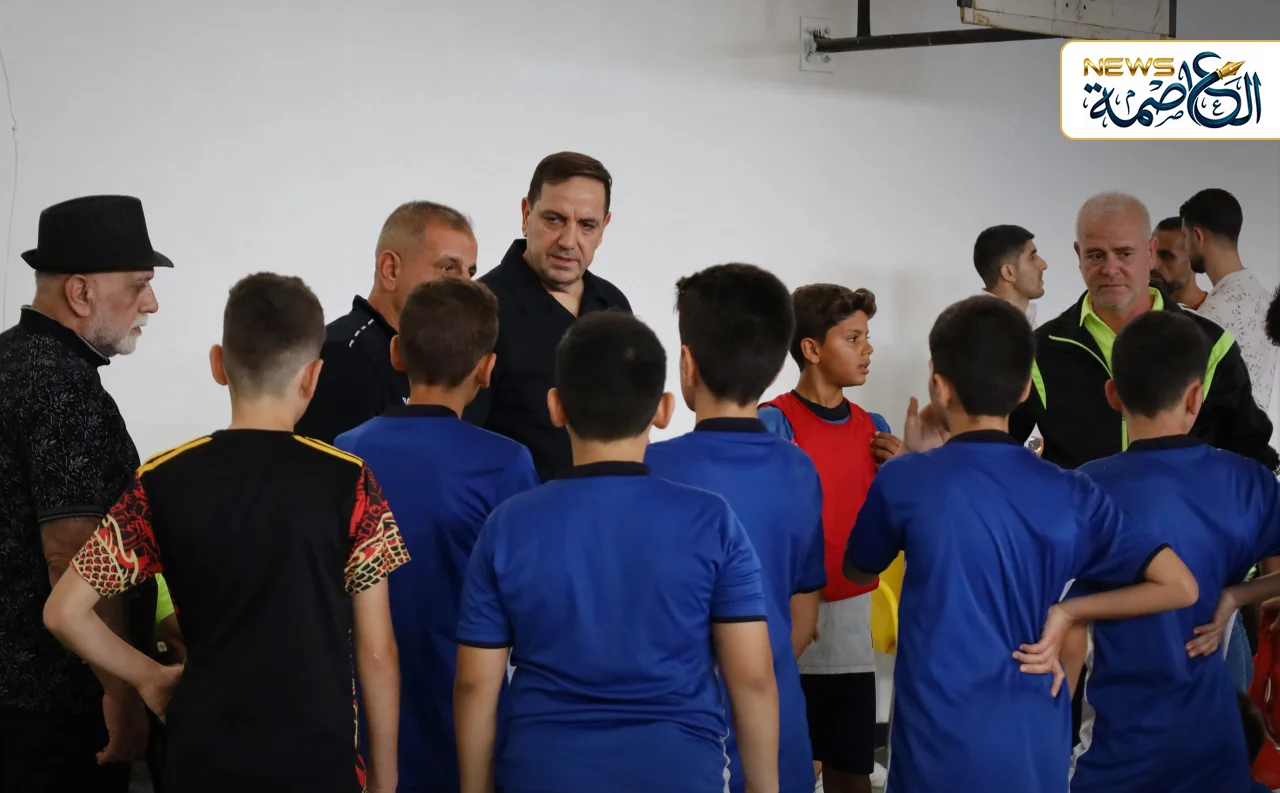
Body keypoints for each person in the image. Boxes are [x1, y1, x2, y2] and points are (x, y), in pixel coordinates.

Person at [42, 273, 408, 793]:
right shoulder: (352, 483)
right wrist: (386, 782)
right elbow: (376, 651)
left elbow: (63, 611)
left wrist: (148, 676)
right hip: (318, 758)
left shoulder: (160, 481)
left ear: (218, 365)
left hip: (205, 757)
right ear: (313, 377)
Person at [842, 295, 1200, 793]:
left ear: (940, 387)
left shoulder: (906, 479)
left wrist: (913, 461)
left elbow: (858, 571)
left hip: (935, 740)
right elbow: (1180, 586)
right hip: (1032, 735)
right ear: (1026, 386)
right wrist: (1069, 613)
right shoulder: (1072, 492)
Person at [454, 310, 780, 793]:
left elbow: (475, 684)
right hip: (679, 773)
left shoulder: (507, 525)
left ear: (556, 407)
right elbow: (752, 678)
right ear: (663, 409)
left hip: (544, 773)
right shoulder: (712, 521)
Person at [1055, 311, 1280, 793]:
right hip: (1214, 751)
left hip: (1117, 755)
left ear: (1113, 395)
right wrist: (1236, 596)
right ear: (1197, 396)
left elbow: (1059, 625)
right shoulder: (1249, 483)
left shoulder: (1081, 490)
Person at [335, 278, 538, 793]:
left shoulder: (345, 450)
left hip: (362, 716)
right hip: (467, 716)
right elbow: (529, 601)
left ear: (396, 353)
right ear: (487, 368)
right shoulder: (507, 462)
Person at [0, 195, 168, 792]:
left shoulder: (11, 358)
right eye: (140, 284)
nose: (151, 303)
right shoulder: (60, 385)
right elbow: (73, 556)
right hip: (56, 711)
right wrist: (121, 689)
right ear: (80, 293)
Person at [645, 263, 824, 793]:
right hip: (777, 728)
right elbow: (803, 619)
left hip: (677, 735)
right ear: (778, 370)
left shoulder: (651, 470)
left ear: (686, 364)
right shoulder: (799, 469)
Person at [1009, 191, 1277, 473]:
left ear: (1150, 252)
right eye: (1096, 255)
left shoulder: (1211, 344)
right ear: (1079, 254)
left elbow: (1252, 458)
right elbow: (997, 452)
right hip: (1079, 503)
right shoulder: (1040, 349)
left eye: (1124, 253)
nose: (1110, 269)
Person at [757, 284, 895, 793]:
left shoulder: (874, 430)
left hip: (851, 627)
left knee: (851, 772)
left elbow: (891, 525)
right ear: (812, 349)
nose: (867, 349)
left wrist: (907, 471)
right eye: (852, 338)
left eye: (866, 336)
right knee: (785, 768)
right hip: (788, 620)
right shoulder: (773, 422)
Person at [466, 152, 631, 481]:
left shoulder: (614, 304)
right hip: (516, 510)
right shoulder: (478, 309)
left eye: (586, 225)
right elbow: (462, 446)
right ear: (526, 214)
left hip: (609, 505)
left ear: (603, 228)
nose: (568, 241)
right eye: (554, 219)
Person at [295, 200, 478, 443]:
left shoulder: (446, 359)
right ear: (390, 270)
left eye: (470, 272)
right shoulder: (345, 356)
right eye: (448, 268)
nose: (467, 287)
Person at [1183, 187, 1278, 412]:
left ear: (1198, 236)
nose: (1185, 247)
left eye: (1185, 238)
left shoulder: (1212, 315)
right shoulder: (1266, 300)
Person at [973, 223, 1047, 325]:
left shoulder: (1023, 321)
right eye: (1032, 258)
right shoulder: (984, 328)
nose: (1044, 265)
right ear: (1009, 272)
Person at [1153, 216, 1208, 309]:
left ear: (1192, 260)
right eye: (1151, 254)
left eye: (1166, 256)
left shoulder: (1216, 314)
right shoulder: (1138, 311)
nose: (1153, 264)